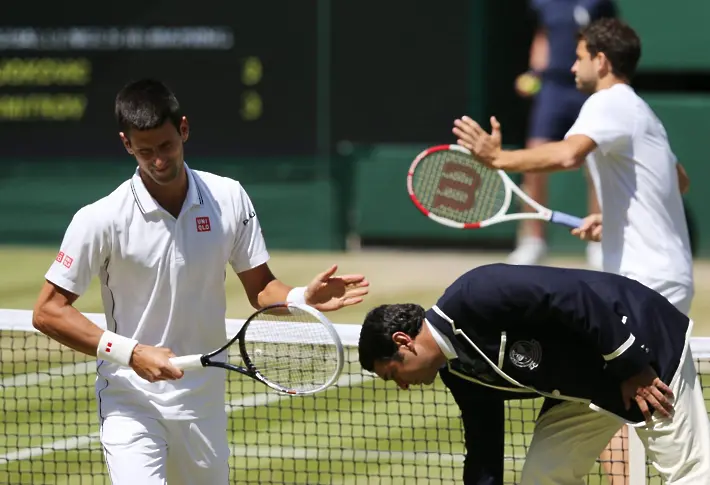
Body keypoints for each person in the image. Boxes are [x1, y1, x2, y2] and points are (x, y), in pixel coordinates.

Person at [31, 79, 370, 485]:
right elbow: (48, 311)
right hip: (131, 400)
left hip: (203, 405)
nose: (158, 160)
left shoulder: (229, 197)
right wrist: (131, 352)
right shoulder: (99, 219)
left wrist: (302, 297)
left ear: (184, 130)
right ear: (126, 144)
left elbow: (261, 287)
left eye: (166, 146)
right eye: (145, 152)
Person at [452, 19, 694, 482]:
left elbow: (567, 155)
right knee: (615, 403)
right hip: (666, 279)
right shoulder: (641, 111)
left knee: (637, 411)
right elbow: (677, 181)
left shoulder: (606, 101)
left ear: (601, 62)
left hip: (644, 287)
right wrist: (620, 217)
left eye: (579, 56)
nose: (571, 65)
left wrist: (498, 159)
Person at [358, 263, 710, 485]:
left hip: (642, 345)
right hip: (585, 387)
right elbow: (484, 447)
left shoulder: (475, 292)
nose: (402, 386)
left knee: (689, 474)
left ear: (403, 342)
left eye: (393, 373)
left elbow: (573, 296)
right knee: (544, 476)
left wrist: (632, 366)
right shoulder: (457, 371)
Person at [510, 0, 616, 269]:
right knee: (534, 161)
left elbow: (611, 39)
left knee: (596, 164)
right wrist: (535, 71)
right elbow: (543, 35)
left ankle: (597, 243)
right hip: (552, 88)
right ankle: (532, 242)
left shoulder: (598, 2)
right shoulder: (544, 3)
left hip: (588, 87)